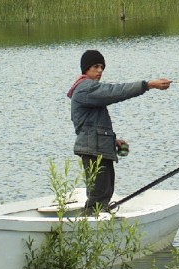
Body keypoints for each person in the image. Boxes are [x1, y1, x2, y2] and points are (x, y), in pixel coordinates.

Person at [66, 48, 171, 213]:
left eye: (102, 67)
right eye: (96, 66)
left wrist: (112, 141)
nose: (100, 70)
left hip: (99, 148)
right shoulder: (86, 88)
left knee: (104, 193)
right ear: (86, 69)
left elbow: (88, 125)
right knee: (98, 197)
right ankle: (90, 229)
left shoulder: (89, 90)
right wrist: (147, 85)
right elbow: (115, 92)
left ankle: (98, 227)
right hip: (94, 151)